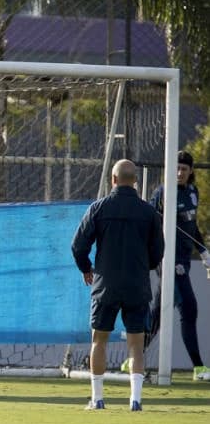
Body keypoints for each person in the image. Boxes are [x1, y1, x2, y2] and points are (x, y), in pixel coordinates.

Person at [72, 159, 164, 411]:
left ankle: (98, 399)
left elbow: (78, 245)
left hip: (105, 285)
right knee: (136, 344)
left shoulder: (99, 208)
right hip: (137, 285)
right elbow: (158, 252)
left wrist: (86, 268)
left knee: (99, 340)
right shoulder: (149, 213)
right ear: (135, 181)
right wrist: (142, 266)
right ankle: (135, 400)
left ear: (112, 179)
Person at [137, 151, 210, 381]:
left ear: (190, 172)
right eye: (176, 168)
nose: (179, 173)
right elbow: (147, 220)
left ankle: (133, 355)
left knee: (158, 314)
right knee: (189, 308)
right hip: (168, 261)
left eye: (184, 169)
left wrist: (204, 251)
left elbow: (192, 226)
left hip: (185, 261)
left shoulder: (193, 192)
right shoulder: (162, 193)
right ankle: (199, 368)